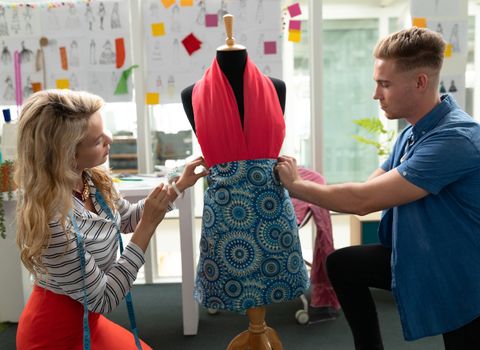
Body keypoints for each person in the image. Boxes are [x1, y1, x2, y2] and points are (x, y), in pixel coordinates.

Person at [275, 26, 480, 350]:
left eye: (384, 84)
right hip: (436, 262)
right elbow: (372, 187)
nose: (376, 94)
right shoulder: (412, 134)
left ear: (420, 82)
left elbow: (363, 200)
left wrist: (295, 185)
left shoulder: (455, 140)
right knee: (344, 266)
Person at [15, 89, 208, 350]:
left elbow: (126, 219)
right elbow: (104, 298)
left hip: (89, 321)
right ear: (66, 154)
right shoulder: (53, 220)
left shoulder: (91, 180)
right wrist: (148, 226)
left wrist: (177, 186)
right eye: (97, 141)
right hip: (54, 332)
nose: (110, 139)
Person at [180, 16, 309, 348]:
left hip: (270, 204)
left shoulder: (275, 87)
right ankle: (256, 334)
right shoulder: (192, 94)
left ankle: (260, 331)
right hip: (225, 210)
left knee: (268, 276)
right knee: (236, 274)